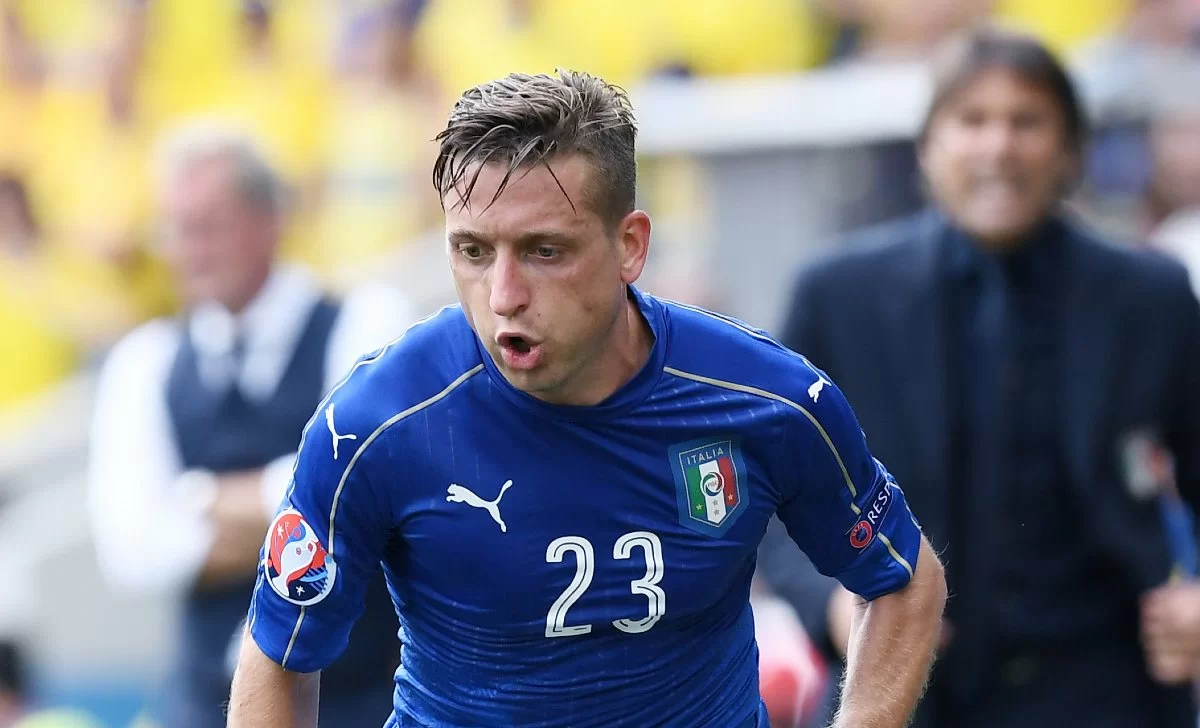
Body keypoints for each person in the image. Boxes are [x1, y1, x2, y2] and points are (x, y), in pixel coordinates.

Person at [226, 69, 947, 728]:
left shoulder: (765, 399)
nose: (503, 296)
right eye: (473, 251)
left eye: (544, 251)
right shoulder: (375, 423)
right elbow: (279, 656)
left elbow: (905, 582)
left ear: (630, 246)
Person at [760, 27, 1200, 728]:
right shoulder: (839, 296)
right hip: (901, 691)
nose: (999, 146)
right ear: (928, 146)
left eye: (1026, 121)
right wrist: (834, 606)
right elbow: (765, 484)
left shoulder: (1153, 297)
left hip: (1107, 690)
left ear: (1070, 150)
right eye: (973, 120)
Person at [86, 122, 413, 727]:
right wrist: (295, 510)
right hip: (204, 704)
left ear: (269, 220)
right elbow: (131, 549)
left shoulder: (365, 321)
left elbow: (368, 491)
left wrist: (198, 498)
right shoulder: (144, 362)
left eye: (209, 226)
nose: (191, 250)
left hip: (365, 698)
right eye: (175, 229)